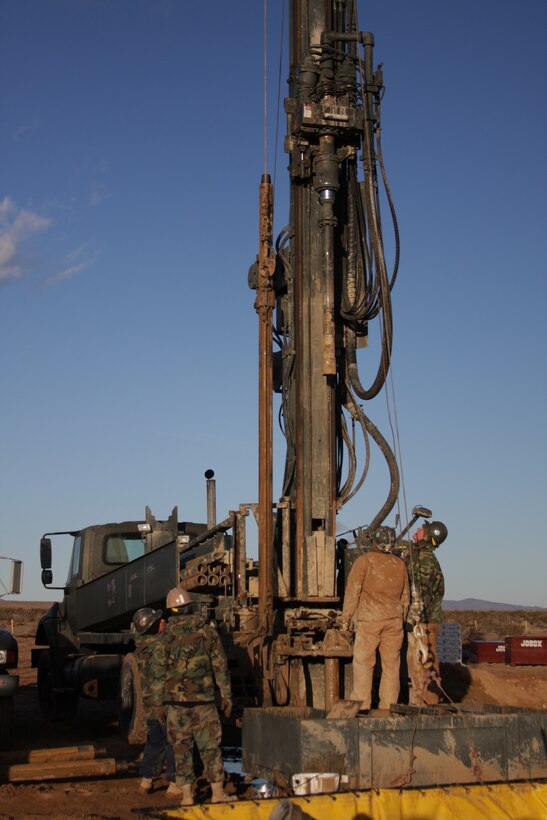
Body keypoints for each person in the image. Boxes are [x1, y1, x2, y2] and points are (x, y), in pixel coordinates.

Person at [150, 587, 236, 807]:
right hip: (204, 704)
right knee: (210, 749)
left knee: (181, 752)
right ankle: (217, 793)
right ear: (190, 607)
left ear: (170, 611)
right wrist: (226, 696)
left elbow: (157, 676)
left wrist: (158, 705)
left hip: (176, 706)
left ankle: (187, 797)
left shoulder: (164, 639)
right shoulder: (207, 632)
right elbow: (221, 667)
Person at [341, 526, 410, 713]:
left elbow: (352, 592)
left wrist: (345, 619)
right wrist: (400, 618)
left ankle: (362, 705)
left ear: (374, 542)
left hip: (369, 620)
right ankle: (388, 706)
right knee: (391, 665)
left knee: (364, 662)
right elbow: (406, 597)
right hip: (394, 622)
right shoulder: (400, 565)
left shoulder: (364, 562)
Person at [132, 607, 177, 796]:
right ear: (152, 627)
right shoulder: (162, 646)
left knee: (155, 740)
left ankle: (146, 781)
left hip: (150, 705)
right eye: (159, 621)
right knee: (174, 740)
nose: (164, 622)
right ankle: (174, 784)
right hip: (164, 703)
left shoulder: (141, 648)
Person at [404, 520, 448, 705]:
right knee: (421, 661)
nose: (417, 530)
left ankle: (427, 704)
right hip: (425, 619)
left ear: (428, 535)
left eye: (422, 529)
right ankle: (424, 701)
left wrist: (412, 620)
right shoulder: (419, 555)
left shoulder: (425, 560)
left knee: (421, 661)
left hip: (423, 620)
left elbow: (421, 594)